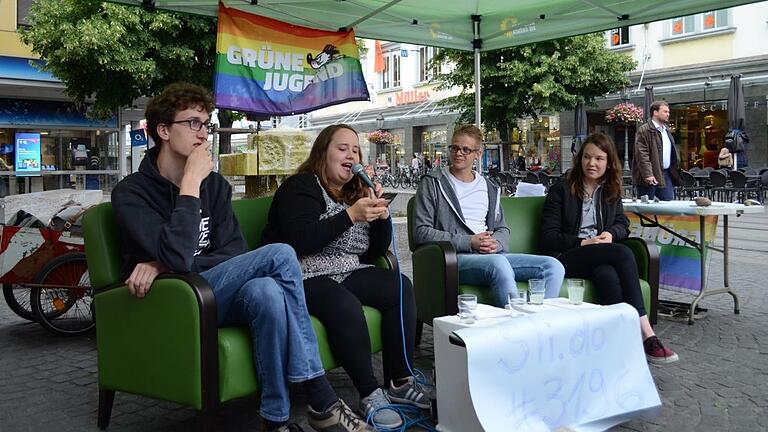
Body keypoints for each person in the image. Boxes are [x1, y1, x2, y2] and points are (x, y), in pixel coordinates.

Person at [111, 83, 370, 432]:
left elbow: (233, 252)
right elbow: (177, 255)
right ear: (163, 131)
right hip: (176, 299)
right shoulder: (132, 192)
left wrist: (161, 263)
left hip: (211, 290)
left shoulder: (214, 186)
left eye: (207, 124)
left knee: (265, 291)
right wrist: (189, 185)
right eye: (193, 124)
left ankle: (274, 420)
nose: (203, 133)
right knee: (280, 254)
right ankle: (319, 393)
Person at [262, 124, 428, 430]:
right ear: (322, 153)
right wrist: (351, 214)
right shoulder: (301, 187)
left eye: (355, 149)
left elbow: (373, 250)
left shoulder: (355, 192)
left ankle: (399, 379)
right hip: (301, 273)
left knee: (398, 285)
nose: (350, 154)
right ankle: (369, 393)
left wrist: (381, 216)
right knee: (344, 303)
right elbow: (300, 240)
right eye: (342, 148)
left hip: (348, 268)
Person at [540, 132, 679, 364]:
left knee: (607, 274)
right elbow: (548, 237)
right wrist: (584, 242)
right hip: (566, 258)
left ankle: (616, 347)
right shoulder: (561, 189)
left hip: (599, 257)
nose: (591, 163)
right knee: (623, 252)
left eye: (598, 158)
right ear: (580, 159)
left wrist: (609, 234)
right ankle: (646, 332)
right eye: (587, 157)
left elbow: (622, 225)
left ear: (608, 162)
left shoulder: (610, 189)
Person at [413, 124, 565, 307]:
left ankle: (542, 324)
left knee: (553, 267)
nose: (458, 153)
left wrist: (496, 243)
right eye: (454, 148)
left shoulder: (489, 187)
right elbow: (421, 232)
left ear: (478, 154)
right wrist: (469, 241)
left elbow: (502, 228)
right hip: (456, 257)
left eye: (466, 149)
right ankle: (518, 326)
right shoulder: (433, 183)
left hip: (492, 254)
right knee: (498, 264)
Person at [633, 100, 681, 201]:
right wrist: (648, 174)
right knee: (646, 206)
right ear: (655, 112)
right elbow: (642, 155)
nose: (668, 114)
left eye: (668, 112)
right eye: (665, 112)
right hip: (649, 175)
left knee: (669, 204)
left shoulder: (666, 130)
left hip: (665, 173)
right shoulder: (644, 130)